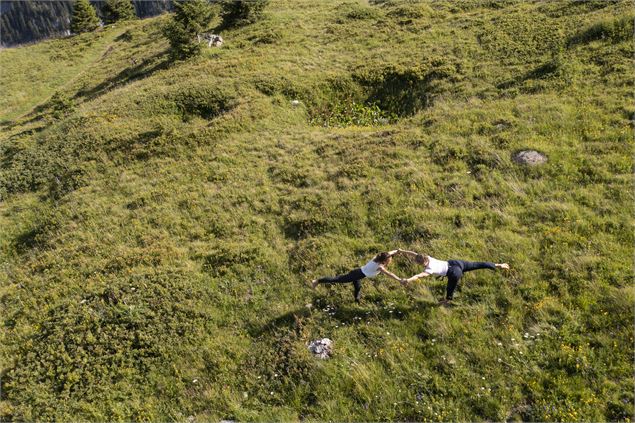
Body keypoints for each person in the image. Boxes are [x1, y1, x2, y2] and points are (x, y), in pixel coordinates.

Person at [397, 248, 509, 304]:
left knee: (450, 288)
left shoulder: (429, 269)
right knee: (476, 264)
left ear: (421, 262)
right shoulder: (428, 257)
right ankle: (499, 265)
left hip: (454, 273)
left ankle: (447, 300)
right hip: (456, 263)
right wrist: (402, 251)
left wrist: (408, 280)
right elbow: (413, 253)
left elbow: (419, 276)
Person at [311, 250, 405, 303]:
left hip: (359, 273)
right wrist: (399, 279)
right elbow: (390, 274)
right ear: (384, 260)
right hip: (357, 274)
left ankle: (357, 300)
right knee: (338, 279)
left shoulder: (377, 258)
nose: (391, 260)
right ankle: (317, 281)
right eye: (390, 260)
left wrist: (397, 251)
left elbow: (389, 253)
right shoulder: (380, 266)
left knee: (358, 287)